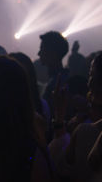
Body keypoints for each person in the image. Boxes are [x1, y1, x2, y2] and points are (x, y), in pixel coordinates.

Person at [49, 53, 102, 182]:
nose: (89, 83)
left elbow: (58, 169)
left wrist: (59, 118)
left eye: (92, 76)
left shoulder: (86, 132)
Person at [38, 31, 69, 116]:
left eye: (42, 49)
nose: (39, 53)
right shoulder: (59, 78)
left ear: (52, 52)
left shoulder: (57, 83)